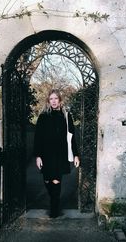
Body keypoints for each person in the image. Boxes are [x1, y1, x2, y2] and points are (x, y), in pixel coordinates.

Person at [33, 88, 80, 218]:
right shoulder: (43, 116)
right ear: (48, 101)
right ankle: (54, 201)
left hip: (60, 155)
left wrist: (76, 154)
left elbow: (72, 137)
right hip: (46, 155)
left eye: (56, 98)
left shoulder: (66, 116)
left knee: (56, 181)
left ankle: (54, 208)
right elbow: (38, 138)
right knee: (47, 180)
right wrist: (38, 156)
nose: (54, 101)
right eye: (51, 99)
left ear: (60, 100)